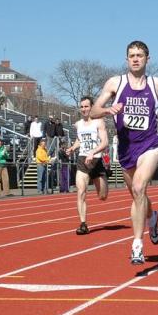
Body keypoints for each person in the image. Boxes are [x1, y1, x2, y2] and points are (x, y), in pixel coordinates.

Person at [91, 40, 158, 265]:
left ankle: (136, 245)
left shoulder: (156, 84)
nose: (135, 58)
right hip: (126, 150)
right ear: (126, 59)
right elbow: (93, 110)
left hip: (150, 145)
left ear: (147, 59)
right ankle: (152, 218)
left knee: (139, 187)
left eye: (139, 55)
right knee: (137, 195)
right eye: (131, 55)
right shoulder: (116, 82)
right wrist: (107, 109)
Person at [67, 96, 109, 234]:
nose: (84, 109)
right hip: (82, 160)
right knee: (81, 192)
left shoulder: (99, 122)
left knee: (102, 196)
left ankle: (103, 181)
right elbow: (80, 139)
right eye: (82, 107)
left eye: (86, 106)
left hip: (96, 160)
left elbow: (104, 143)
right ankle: (83, 224)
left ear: (92, 107)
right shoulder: (78, 124)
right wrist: (73, 148)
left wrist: (93, 152)